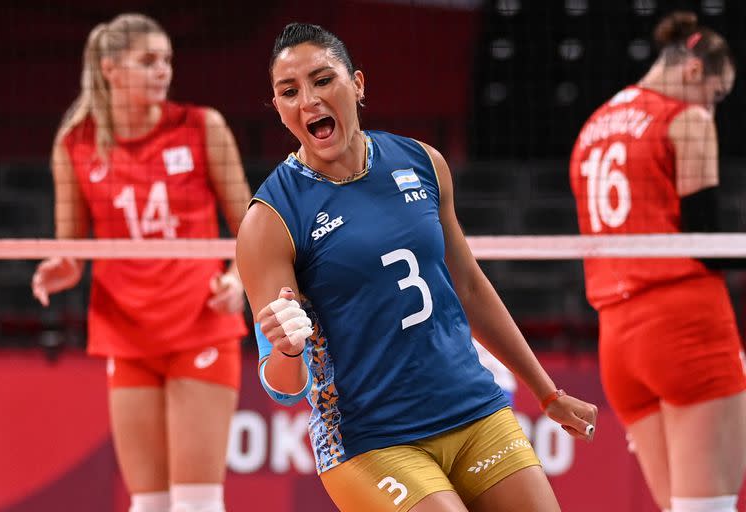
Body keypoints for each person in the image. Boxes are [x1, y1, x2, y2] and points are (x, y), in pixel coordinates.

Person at [236, 22, 597, 512]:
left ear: (357, 84)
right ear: (278, 108)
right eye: (289, 92)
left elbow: (468, 286)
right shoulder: (270, 220)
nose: (309, 101)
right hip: (372, 440)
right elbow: (281, 385)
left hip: (471, 409)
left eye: (323, 81)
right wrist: (286, 347)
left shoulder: (421, 161)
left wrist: (547, 392)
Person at [30, 13, 251, 512]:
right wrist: (61, 268)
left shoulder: (202, 127)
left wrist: (237, 279)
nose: (163, 71)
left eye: (168, 61)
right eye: (148, 61)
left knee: (196, 503)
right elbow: (73, 249)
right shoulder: (76, 145)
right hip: (126, 332)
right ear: (110, 69)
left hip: (200, 323)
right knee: (148, 505)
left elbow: (252, 229)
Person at [569, 11, 746, 512]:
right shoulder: (686, 119)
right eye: (716, 93)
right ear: (693, 73)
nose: (713, 106)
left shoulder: (593, 128)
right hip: (683, 327)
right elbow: (706, 240)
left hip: (619, 341)